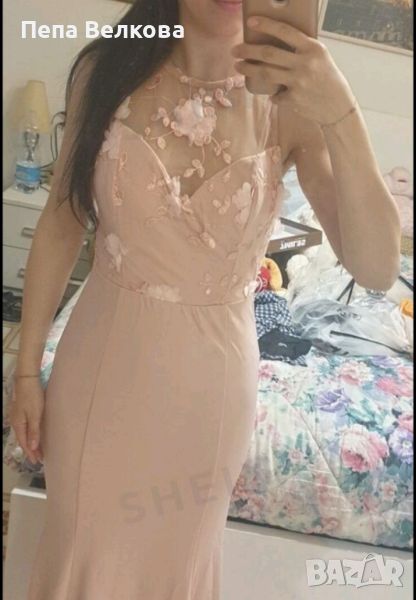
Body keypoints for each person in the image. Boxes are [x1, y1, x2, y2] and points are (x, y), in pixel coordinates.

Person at [9, 1, 401, 598]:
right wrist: (26, 372)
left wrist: (341, 112)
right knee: (81, 551)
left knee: (177, 567)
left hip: (209, 397)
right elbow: (62, 224)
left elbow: (377, 267)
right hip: (98, 377)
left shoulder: (290, 104)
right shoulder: (107, 69)